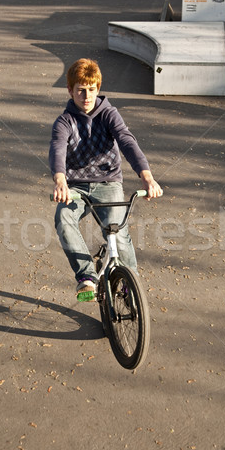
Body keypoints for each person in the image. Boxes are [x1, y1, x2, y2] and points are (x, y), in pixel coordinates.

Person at [49, 58, 163, 300]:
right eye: (80, 90)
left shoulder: (109, 114)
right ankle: (87, 277)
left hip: (108, 182)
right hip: (76, 186)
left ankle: (131, 288)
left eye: (91, 90)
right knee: (63, 217)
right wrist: (60, 181)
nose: (86, 96)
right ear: (70, 90)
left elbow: (126, 141)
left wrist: (147, 177)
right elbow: (57, 148)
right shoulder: (65, 121)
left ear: (98, 89)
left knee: (117, 232)